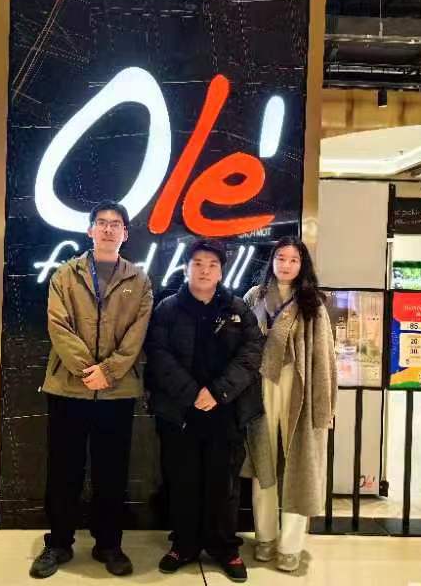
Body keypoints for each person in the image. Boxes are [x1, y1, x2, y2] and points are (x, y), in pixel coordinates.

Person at [29, 200, 154, 580]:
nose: (108, 228)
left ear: (125, 234)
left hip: (116, 393)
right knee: (63, 470)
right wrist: (89, 370)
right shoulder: (65, 275)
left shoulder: (139, 281)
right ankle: (58, 543)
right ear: (90, 230)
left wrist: (109, 371)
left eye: (116, 224)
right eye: (102, 222)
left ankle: (109, 544)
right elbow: (58, 326)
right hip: (69, 388)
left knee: (111, 472)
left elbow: (137, 335)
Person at [145, 239, 264, 584]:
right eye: (197, 263)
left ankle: (224, 547)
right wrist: (193, 393)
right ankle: (184, 545)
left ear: (222, 272)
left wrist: (217, 392)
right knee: (182, 481)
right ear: (186, 268)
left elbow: (251, 354)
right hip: (179, 412)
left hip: (225, 411)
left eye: (212, 265)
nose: (204, 270)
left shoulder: (238, 309)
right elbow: (158, 355)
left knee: (223, 484)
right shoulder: (167, 308)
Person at [241, 236, 337, 573]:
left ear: (302, 265)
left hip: (299, 391)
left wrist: (323, 405)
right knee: (263, 464)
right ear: (272, 261)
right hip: (260, 389)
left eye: (293, 259)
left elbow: (324, 358)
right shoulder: (254, 297)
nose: (286, 264)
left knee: (299, 468)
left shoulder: (312, 303)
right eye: (281, 258)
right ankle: (265, 537)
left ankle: (291, 544)